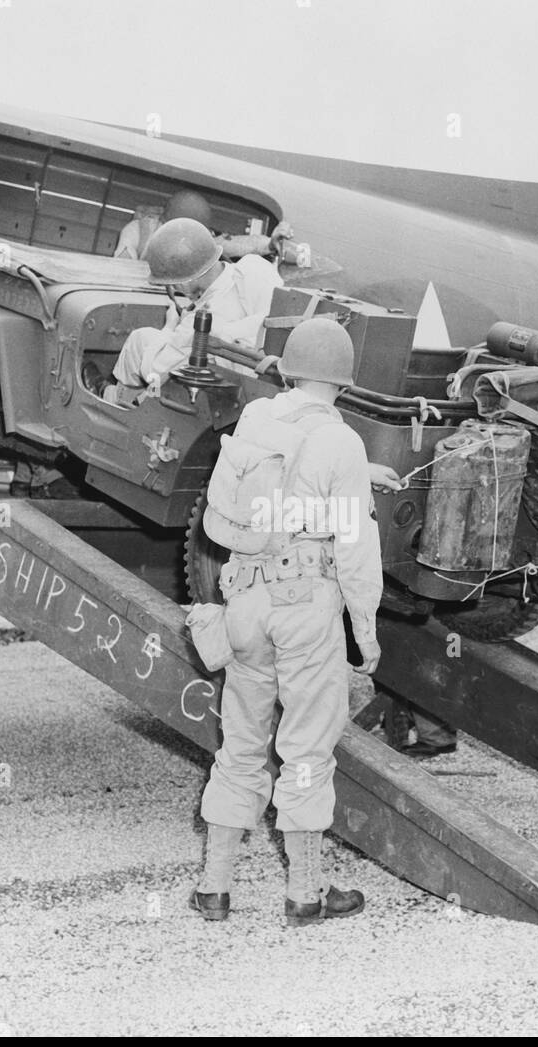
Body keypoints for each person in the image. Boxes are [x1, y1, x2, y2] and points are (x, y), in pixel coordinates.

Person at [190, 318, 384, 925]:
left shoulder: (256, 422)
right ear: (343, 383)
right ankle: (305, 892)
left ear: (290, 370)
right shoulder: (344, 444)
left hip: (245, 601)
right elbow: (354, 551)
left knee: (241, 745)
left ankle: (215, 886)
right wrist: (366, 631)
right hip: (306, 608)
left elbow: (234, 513)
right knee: (303, 749)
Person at [112, 218, 280, 391]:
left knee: (140, 338)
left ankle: (116, 397)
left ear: (184, 282)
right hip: (266, 374)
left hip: (219, 387)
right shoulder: (255, 267)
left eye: (172, 283)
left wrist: (170, 326)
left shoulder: (199, 323)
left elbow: (154, 372)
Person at [114, 188, 296, 265]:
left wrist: (270, 244)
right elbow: (121, 269)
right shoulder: (137, 231)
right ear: (163, 223)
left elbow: (238, 244)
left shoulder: (200, 242)